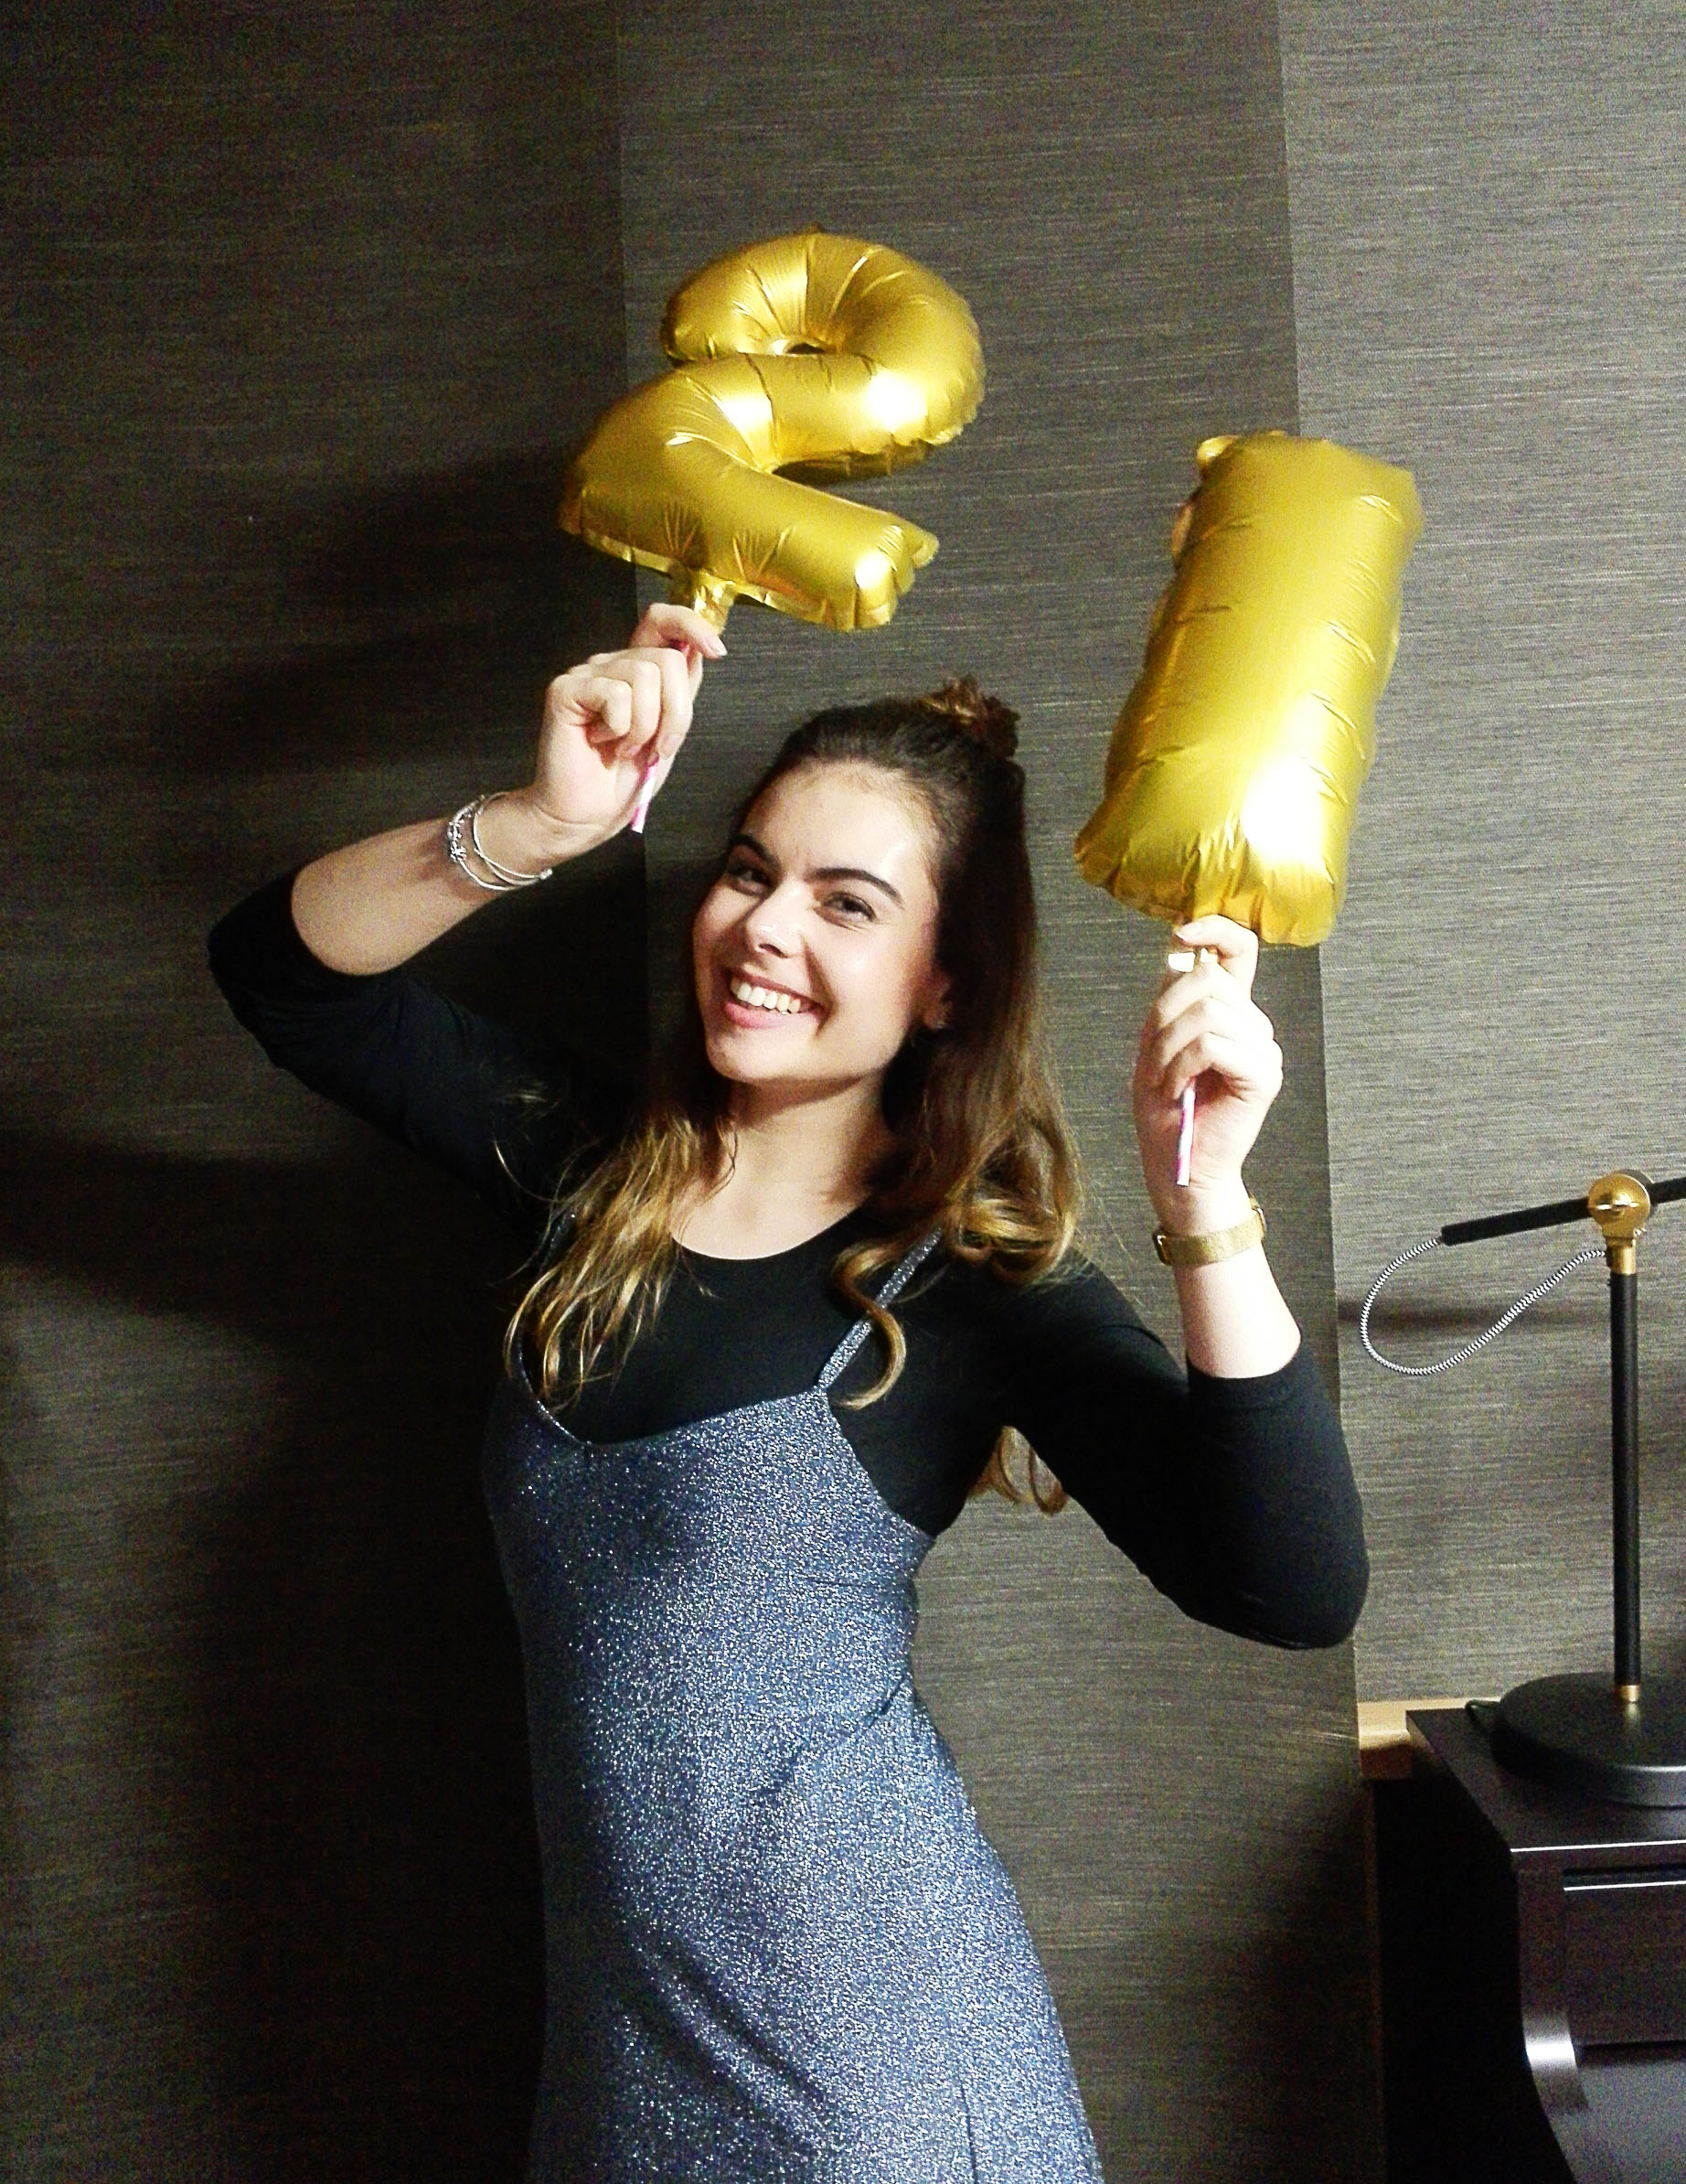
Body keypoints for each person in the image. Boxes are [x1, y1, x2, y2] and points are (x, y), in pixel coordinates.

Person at [208, 601, 1367, 2183]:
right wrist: (538, 823)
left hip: (875, 2075)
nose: (764, 928)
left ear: (944, 983)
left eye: (846, 903)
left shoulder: (966, 1284)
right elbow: (283, 976)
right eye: (751, 873)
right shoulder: (589, 1176)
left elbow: (1292, 1587)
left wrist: (1205, 1203)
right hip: (624, 2063)